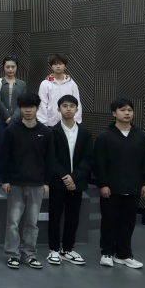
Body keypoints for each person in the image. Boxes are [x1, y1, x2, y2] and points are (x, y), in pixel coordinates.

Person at [0, 93, 54, 270]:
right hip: (15, 183)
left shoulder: (46, 132)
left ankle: (29, 255)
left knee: (32, 223)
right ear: (20, 109)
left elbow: (50, 159)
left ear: (37, 108)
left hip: (37, 184)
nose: (28, 110)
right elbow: (3, 157)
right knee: (13, 222)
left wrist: (46, 182)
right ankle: (12, 254)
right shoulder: (11, 131)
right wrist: (5, 180)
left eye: (31, 107)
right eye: (24, 107)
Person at [94, 98, 145, 269]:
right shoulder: (104, 136)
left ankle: (124, 254)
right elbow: (99, 163)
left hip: (133, 187)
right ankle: (107, 252)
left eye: (130, 110)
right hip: (111, 188)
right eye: (122, 110)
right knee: (109, 221)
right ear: (114, 113)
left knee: (128, 222)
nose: (127, 113)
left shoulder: (141, 136)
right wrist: (103, 184)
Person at [47, 95, 92, 266]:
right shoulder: (52, 132)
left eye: (72, 106)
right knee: (55, 217)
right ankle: (53, 250)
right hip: (58, 182)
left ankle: (67, 249)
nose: (68, 109)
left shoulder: (85, 133)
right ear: (58, 109)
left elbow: (88, 159)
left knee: (73, 218)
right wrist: (66, 177)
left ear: (77, 109)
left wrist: (74, 177)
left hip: (77, 182)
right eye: (64, 106)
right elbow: (51, 158)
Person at [0, 55, 26, 186]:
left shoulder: (22, 84)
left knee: (16, 149)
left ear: (17, 68)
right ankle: (1, 178)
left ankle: (14, 176)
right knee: (2, 149)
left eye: (13, 67)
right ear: (3, 67)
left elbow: (22, 102)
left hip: (17, 121)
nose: (10, 69)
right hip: (1, 121)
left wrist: (14, 118)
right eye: (7, 67)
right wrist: (7, 117)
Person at [38, 54, 82, 127]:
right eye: (55, 64)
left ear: (65, 66)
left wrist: (76, 121)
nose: (58, 66)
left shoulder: (71, 84)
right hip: (50, 123)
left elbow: (77, 103)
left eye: (60, 64)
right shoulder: (45, 84)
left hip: (69, 123)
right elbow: (42, 104)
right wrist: (43, 123)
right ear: (51, 66)